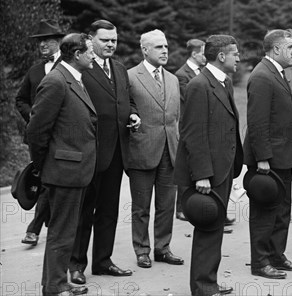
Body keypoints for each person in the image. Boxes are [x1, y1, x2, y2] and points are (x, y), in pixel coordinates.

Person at [69, 20, 141, 285]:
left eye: (114, 40)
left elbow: (127, 100)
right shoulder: (81, 69)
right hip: (90, 153)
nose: (110, 44)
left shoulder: (120, 69)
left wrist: (133, 114)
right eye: (105, 40)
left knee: (109, 210)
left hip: (117, 152)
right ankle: (76, 265)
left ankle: (102, 261)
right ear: (91, 40)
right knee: (84, 211)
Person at [27, 33, 97, 296]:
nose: (94, 56)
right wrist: (44, 164)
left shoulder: (73, 79)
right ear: (77, 54)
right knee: (61, 232)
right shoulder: (56, 81)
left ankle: (55, 282)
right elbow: (36, 130)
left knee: (65, 231)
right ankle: (55, 288)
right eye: (90, 51)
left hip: (74, 170)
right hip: (63, 171)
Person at [174, 34, 243, 296]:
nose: (239, 57)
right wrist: (201, 174)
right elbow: (193, 133)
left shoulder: (223, 82)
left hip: (222, 169)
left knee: (215, 229)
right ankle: (203, 287)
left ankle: (209, 283)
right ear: (221, 56)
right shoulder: (199, 85)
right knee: (208, 227)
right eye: (234, 53)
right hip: (208, 173)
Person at [244, 30, 292, 279]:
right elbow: (257, 123)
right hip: (269, 160)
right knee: (264, 213)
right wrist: (262, 159)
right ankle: (260, 263)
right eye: (291, 47)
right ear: (276, 49)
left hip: (282, 157)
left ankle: (276, 256)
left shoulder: (274, 73)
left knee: (281, 211)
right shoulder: (262, 76)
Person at [126, 29, 183, 269]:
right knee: (141, 207)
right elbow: (126, 111)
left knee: (166, 205)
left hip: (169, 151)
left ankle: (163, 247)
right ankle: (142, 249)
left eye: (166, 47)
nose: (165, 51)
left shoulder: (173, 79)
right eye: (159, 47)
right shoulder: (130, 77)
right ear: (145, 50)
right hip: (142, 150)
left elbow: (175, 118)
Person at [15, 21, 64, 246]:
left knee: (49, 181)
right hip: (37, 137)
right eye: (39, 41)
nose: (42, 44)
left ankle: (34, 228)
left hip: (63, 136)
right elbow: (20, 100)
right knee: (45, 180)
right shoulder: (35, 71)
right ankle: (45, 222)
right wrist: (33, 118)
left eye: (47, 40)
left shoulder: (69, 66)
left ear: (59, 41)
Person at [174, 39, 206, 221]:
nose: (205, 56)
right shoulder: (182, 75)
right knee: (186, 167)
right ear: (194, 54)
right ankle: (181, 208)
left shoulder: (200, 72)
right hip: (188, 126)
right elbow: (191, 100)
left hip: (199, 125)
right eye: (203, 53)